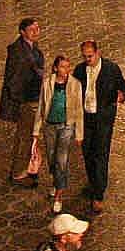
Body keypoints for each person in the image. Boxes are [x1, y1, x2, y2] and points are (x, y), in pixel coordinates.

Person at [74, 40, 125, 211]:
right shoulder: (79, 70)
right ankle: (93, 183)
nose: (87, 59)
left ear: (98, 53)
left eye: (90, 56)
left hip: (103, 119)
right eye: (84, 56)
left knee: (101, 154)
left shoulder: (111, 69)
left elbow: (123, 88)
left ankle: (98, 194)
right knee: (88, 153)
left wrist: (121, 96)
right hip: (85, 118)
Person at [37, 52, 84, 214]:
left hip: (66, 126)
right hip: (50, 126)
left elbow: (79, 110)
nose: (66, 70)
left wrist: (79, 133)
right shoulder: (47, 83)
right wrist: (36, 130)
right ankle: (56, 182)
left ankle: (58, 196)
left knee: (61, 160)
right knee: (51, 158)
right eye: (63, 67)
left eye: (68, 67)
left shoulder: (75, 84)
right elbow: (41, 106)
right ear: (56, 68)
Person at [3, 18, 47, 186]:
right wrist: (22, 101)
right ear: (22, 32)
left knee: (31, 136)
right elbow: (13, 80)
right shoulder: (17, 52)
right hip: (26, 101)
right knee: (25, 138)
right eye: (31, 30)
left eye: (37, 28)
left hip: (33, 97)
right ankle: (18, 173)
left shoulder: (31, 47)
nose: (36, 32)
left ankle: (30, 167)